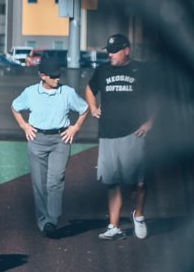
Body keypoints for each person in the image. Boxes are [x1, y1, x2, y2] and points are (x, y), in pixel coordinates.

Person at [11, 56, 89, 237]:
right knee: (39, 183)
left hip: (60, 140)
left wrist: (75, 128)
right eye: (53, 76)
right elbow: (15, 107)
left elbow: (84, 109)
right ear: (42, 76)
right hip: (37, 139)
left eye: (58, 75)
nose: (57, 79)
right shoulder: (30, 92)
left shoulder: (67, 92)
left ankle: (52, 220)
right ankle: (43, 222)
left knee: (55, 180)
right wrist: (24, 126)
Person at [85, 34, 153, 241]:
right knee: (112, 182)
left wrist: (151, 122)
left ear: (127, 50)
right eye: (109, 51)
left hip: (134, 133)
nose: (111, 55)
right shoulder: (103, 70)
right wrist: (93, 106)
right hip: (108, 134)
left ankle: (138, 215)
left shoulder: (141, 70)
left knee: (138, 183)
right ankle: (114, 226)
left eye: (115, 51)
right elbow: (89, 89)